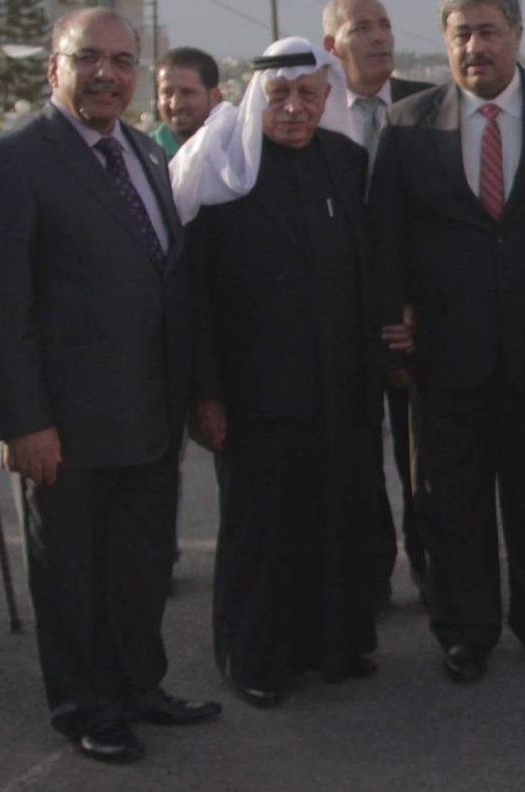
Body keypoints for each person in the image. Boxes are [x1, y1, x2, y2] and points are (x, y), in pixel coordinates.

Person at [0, 8, 220, 764]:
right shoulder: (11, 160)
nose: (106, 74)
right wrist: (20, 421)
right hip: (64, 427)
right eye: (88, 58)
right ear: (54, 67)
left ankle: (139, 687)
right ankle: (85, 706)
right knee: (72, 575)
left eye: (122, 61)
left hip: (148, 414)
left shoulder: (143, 152)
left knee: (141, 566)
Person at [371, 0, 525, 684]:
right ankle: (464, 631)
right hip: (446, 355)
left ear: (517, 35)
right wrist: (393, 324)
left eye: (488, 31)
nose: (475, 46)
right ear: (446, 44)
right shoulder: (406, 123)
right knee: (451, 504)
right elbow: (385, 237)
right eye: (461, 34)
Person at [172, 37, 406, 708]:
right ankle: (256, 658)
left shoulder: (347, 160)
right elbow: (198, 293)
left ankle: (337, 646)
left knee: (337, 520)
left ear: (327, 97)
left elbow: (370, 268)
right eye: (280, 96)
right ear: (258, 99)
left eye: (307, 94)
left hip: (340, 388)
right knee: (263, 533)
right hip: (256, 395)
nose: (295, 108)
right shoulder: (225, 168)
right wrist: (205, 392)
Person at [321, 0, 430, 607]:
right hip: (336, 323)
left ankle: (432, 572)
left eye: (385, 24)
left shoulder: (427, 107)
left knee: (422, 459)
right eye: (362, 27)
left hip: (411, 319)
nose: (380, 36)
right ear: (332, 45)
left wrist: (416, 305)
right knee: (352, 461)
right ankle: (367, 576)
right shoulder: (308, 107)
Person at [151, 47, 221, 160]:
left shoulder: (234, 151)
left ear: (214, 96)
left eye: (187, 92)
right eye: (167, 93)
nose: (175, 105)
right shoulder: (142, 155)